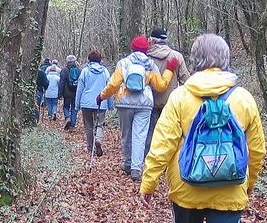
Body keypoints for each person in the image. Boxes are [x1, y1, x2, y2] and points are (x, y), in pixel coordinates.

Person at [140, 34, 265, 223]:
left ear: (195, 61)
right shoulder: (243, 98)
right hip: (230, 190)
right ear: (225, 59)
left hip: (186, 187)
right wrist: (248, 184)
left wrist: (149, 181)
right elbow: (257, 150)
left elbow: (163, 143)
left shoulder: (181, 97)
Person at [98, 36, 178, 182]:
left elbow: (113, 85)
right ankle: (136, 168)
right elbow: (161, 86)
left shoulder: (124, 63)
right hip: (144, 103)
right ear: (146, 49)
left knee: (126, 134)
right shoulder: (151, 65)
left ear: (132, 48)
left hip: (124, 102)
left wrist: (101, 97)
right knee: (140, 135)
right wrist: (170, 70)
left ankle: (127, 164)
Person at [145, 27, 190, 156]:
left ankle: (149, 161)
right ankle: (169, 161)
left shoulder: (146, 57)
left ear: (152, 41)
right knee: (169, 133)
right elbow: (186, 80)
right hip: (171, 101)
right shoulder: (176, 56)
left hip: (150, 100)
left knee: (150, 132)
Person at [75, 50, 112, 157]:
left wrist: (77, 105)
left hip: (86, 103)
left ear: (89, 60)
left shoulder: (85, 71)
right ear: (100, 60)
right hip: (101, 101)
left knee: (88, 126)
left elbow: (80, 89)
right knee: (99, 124)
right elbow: (109, 88)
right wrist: (110, 104)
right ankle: (98, 140)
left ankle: (90, 148)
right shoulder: (105, 72)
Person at [61, 55, 81, 130]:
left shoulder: (64, 70)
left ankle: (67, 117)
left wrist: (60, 93)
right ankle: (72, 125)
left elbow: (62, 83)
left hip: (67, 93)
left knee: (66, 107)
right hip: (76, 93)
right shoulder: (79, 70)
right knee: (74, 108)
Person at [34, 58, 51, 122]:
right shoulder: (41, 73)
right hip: (39, 91)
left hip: (33, 90)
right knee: (37, 106)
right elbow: (46, 83)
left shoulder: (28, 71)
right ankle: (35, 121)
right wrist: (45, 88)